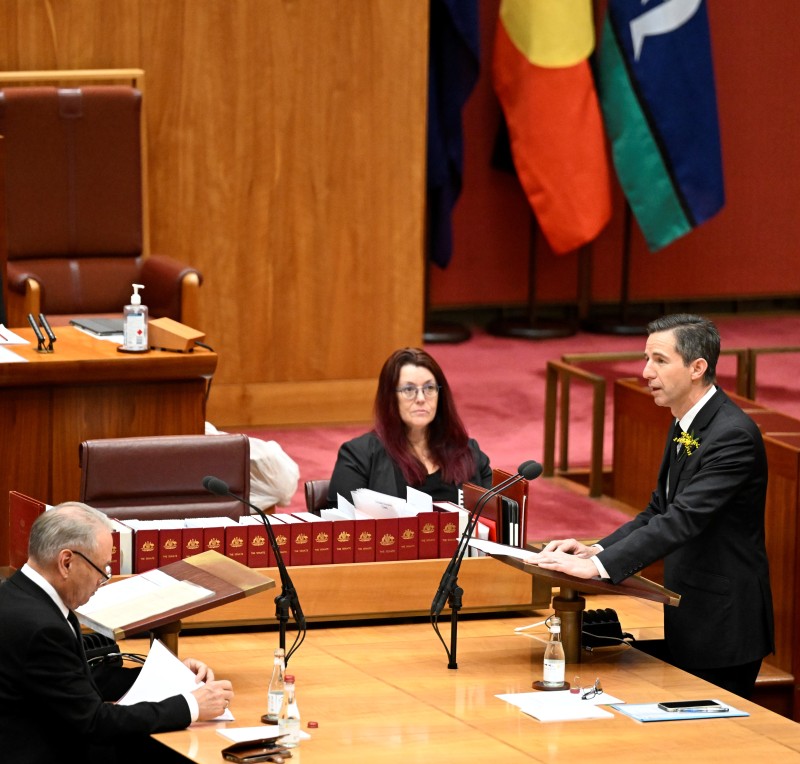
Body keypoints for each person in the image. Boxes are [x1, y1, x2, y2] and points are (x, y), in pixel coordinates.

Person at [529, 314, 774, 698]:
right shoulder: (685, 423)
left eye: (659, 361)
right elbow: (658, 510)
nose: (646, 372)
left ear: (697, 368)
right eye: (647, 359)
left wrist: (596, 568)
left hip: (725, 625)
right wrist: (598, 549)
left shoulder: (732, 437)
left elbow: (682, 520)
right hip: (691, 615)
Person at [0, 502, 234, 764]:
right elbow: (95, 722)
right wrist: (191, 705)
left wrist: (170, 676)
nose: (102, 581)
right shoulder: (42, 628)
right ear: (66, 562)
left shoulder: (15, 594)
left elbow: (74, 679)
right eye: (102, 570)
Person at [328, 347, 492, 505]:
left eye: (429, 388)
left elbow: (493, 520)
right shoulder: (359, 456)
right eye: (409, 389)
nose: (421, 398)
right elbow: (340, 526)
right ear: (390, 398)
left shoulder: (468, 453)